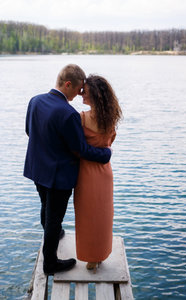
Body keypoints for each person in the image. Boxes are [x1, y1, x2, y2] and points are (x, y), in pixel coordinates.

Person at [24, 64, 112, 275]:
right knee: (54, 217)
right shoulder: (68, 114)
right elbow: (80, 149)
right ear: (68, 84)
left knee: (46, 207)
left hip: (38, 169)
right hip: (58, 175)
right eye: (79, 88)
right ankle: (50, 263)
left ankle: (53, 236)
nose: (80, 93)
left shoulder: (35, 101)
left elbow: (29, 131)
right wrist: (105, 155)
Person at [74, 74, 122, 270]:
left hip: (86, 173)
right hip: (104, 173)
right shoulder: (110, 119)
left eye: (85, 92)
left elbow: (76, 146)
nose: (81, 95)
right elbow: (109, 143)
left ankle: (91, 256)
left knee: (87, 216)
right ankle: (100, 254)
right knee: (103, 215)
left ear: (94, 96)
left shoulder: (82, 118)